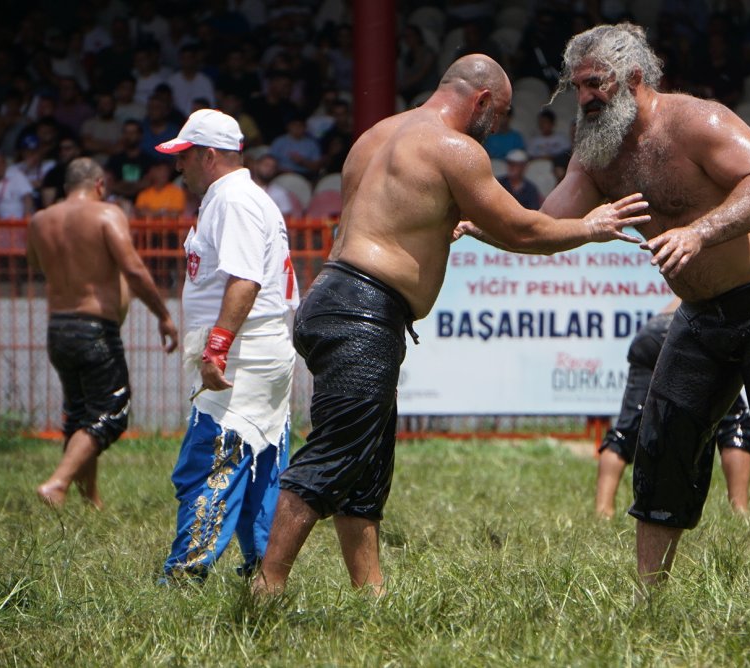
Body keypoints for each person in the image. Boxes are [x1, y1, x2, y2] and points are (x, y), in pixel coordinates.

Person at [250, 54, 650, 597]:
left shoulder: (376, 136)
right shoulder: (454, 148)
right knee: (336, 454)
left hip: (335, 299)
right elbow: (523, 228)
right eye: (501, 114)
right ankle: (265, 589)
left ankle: (370, 595)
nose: (499, 127)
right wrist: (590, 225)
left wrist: (442, 223)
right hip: (363, 311)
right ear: (481, 101)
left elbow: (377, 220)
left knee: (364, 464)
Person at [532, 23, 750, 609]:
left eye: (594, 84)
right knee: (662, 441)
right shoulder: (596, 149)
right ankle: (649, 602)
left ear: (634, 78)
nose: (584, 99)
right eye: (575, 86)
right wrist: (485, 221)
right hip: (702, 314)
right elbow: (550, 223)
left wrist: (699, 231)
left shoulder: (695, 121)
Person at [155, 109, 299, 581]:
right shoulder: (238, 196)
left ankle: (185, 574)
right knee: (259, 465)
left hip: (243, 352)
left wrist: (216, 348)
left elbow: (244, 280)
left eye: (185, 156)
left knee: (211, 460)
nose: (179, 167)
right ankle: (264, 569)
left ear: (210, 156)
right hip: (258, 348)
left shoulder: (233, 199)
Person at [26, 157, 178, 509]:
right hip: (95, 327)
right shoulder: (107, 214)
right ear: (99, 186)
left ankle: (90, 501)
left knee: (79, 414)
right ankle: (58, 482)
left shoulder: (40, 220)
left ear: (66, 189)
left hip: (58, 328)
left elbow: (35, 263)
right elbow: (134, 269)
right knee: (111, 412)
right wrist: (164, 315)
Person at [595, 298, 750, 519]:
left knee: (627, 427)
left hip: (651, 333)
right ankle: (740, 511)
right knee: (734, 422)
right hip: (692, 330)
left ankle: (603, 510)